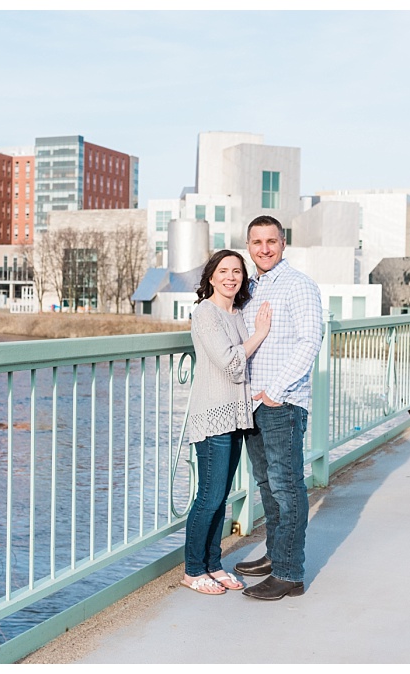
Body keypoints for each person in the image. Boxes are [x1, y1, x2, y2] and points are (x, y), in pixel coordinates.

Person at [235, 215, 323, 601]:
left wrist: (274, 390)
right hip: (252, 404)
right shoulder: (251, 287)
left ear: (283, 243)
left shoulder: (299, 285)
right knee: (267, 484)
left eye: (272, 241)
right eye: (257, 242)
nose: (265, 248)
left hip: (281, 403)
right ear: (248, 246)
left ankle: (289, 574)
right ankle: (276, 554)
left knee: (287, 486)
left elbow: (310, 340)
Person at [181, 250, 272, 596]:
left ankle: (213, 564)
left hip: (236, 416)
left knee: (220, 497)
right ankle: (192, 570)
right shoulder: (206, 314)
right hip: (212, 415)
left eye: (237, 271)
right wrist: (260, 333)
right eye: (224, 271)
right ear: (210, 277)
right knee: (209, 495)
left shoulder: (236, 314)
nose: (231, 277)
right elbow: (233, 364)